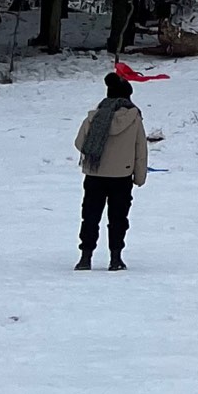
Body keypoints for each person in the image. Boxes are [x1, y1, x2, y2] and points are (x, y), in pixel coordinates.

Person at [74, 71, 148, 270]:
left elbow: (80, 143)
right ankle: (116, 259)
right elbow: (140, 150)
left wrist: (96, 151)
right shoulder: (134, 119)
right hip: (121, 177)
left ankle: (85, 258)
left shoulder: (94, 117)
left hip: (94, 175)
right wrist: (139, 177)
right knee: (118, 219)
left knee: (90, 216)